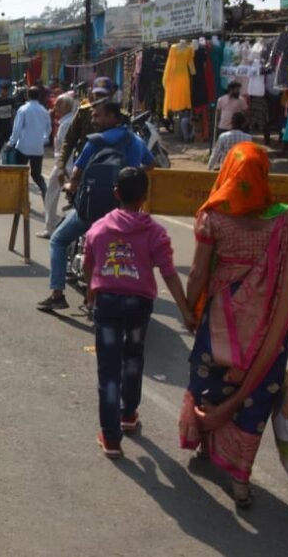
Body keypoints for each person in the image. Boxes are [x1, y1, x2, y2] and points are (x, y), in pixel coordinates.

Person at [179, 142, 288, 508]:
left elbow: (197, 273)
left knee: (210, 384)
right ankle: (240, 479)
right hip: (269, 331)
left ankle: (206, 444)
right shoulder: (287, 222)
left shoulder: (214, 217)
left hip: (220, 326)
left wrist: (190, 311)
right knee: (254, 399)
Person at [83, 168, 195, 458]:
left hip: (107, 303)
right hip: (139, 305)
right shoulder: (155, 232)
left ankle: (111, 438)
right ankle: (128, 413)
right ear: (145, 196)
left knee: (108, 371)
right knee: (133, 357)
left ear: (116, 193)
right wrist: (185, 311)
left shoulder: (99, 228)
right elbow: (169, 274)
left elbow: (89, 264)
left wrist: (90, 291)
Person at [38, 100, 155, 312]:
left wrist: (70, 186)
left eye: (98, 116)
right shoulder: (136, 141)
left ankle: (57, 294)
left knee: (57, 239)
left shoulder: (96, 142)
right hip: (124, 211)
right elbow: (151, 164)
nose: (93, 121)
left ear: (113, 117)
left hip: (93, 210)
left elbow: (76, 173)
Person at [40, 94, 77, 238]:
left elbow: (63, 147)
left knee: (51, 194)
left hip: (64, 165)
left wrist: (61, 168)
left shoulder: (67, 123)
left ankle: (50, 228)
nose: (55, 108)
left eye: (58, 105)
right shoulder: (68, 121)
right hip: (67, 164)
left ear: (67, 107)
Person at [7, 86, 52, 199]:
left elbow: (17, 129)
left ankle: (21, 199)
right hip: (38, 148)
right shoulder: (44, 111)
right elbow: (49, 129)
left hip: (23, 147)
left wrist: (11, 142)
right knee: (36, 175)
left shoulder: (23, 109)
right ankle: (44, 191)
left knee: (21, 173)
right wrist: (43, 140)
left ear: (27, 95)